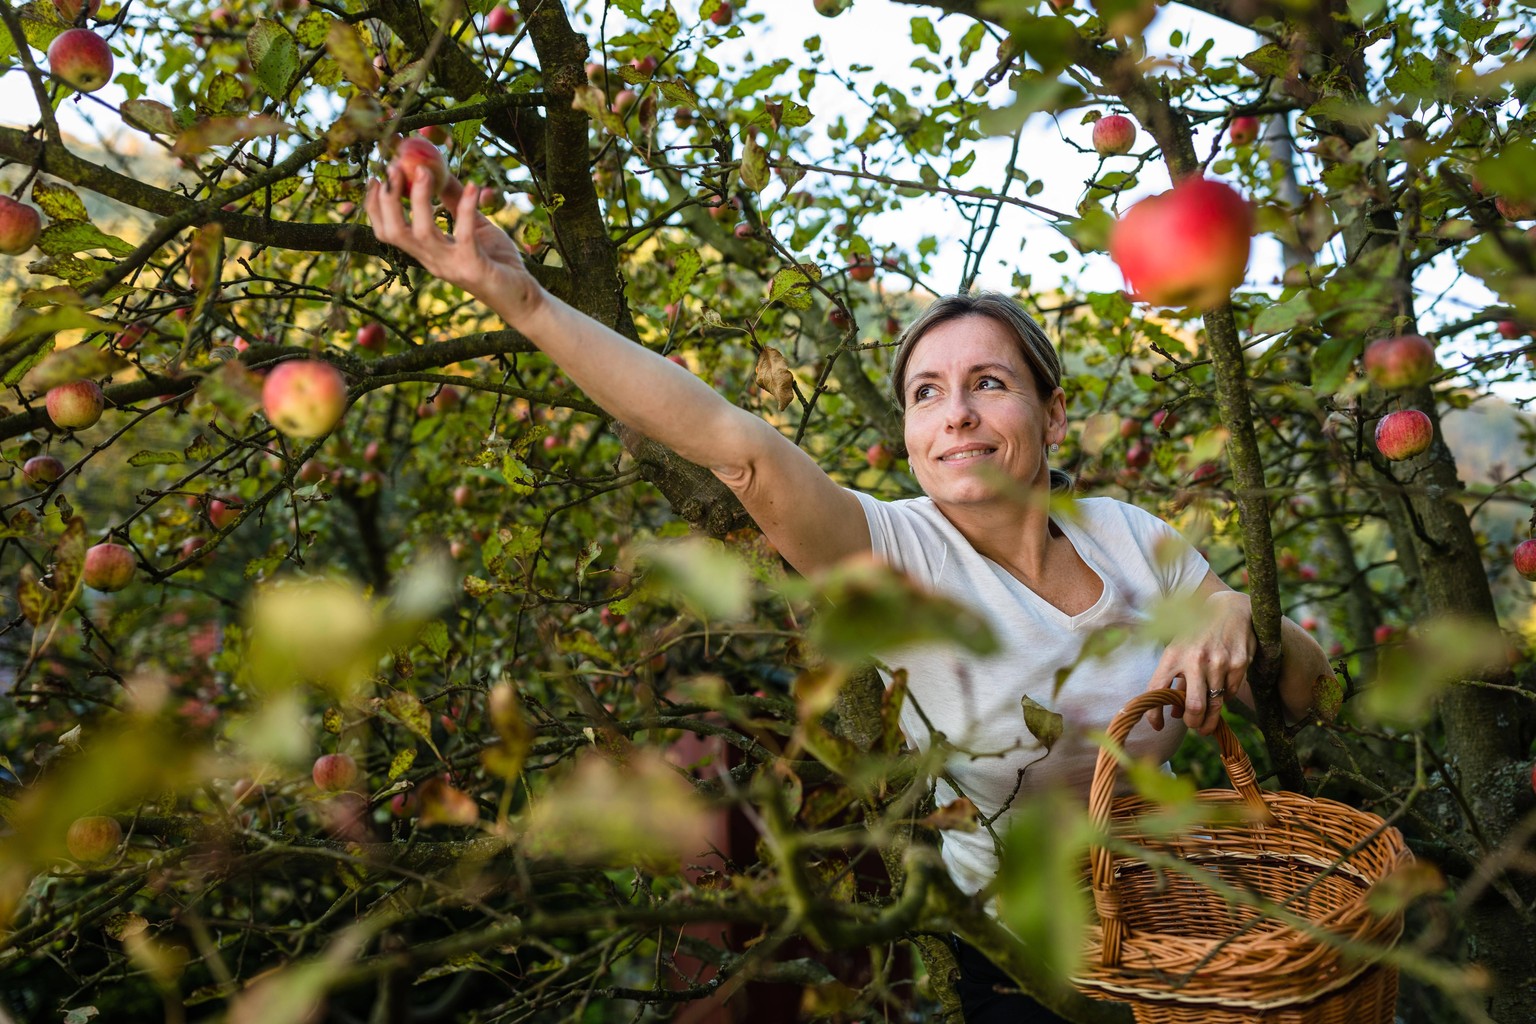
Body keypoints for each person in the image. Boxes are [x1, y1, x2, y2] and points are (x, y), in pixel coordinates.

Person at [365, 168, 1332, 1024]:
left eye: (989, 383)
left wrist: (1237, 615)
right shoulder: (898, 553)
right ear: (909, 434)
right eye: (925, 393)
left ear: (1054, 411)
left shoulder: (1129, 534)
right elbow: (735, 445)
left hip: (1197, 936)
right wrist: (524, 299)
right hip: (1034, 976)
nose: (955, 413)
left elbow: (1301, 694)